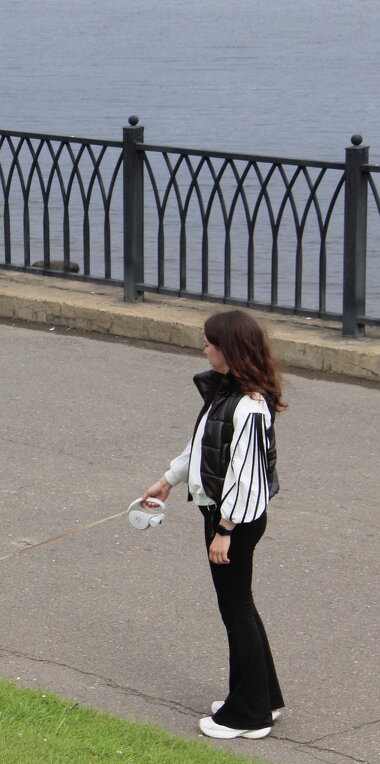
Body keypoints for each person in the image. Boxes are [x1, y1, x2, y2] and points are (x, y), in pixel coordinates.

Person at [141, 309, 286, 740]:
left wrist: (225, 529)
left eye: (208, 343)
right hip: (223, 515)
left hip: (233, 520)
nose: (202, 348)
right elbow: (201, 445)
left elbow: (246, 474)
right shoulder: (227, 393)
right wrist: (168, 480)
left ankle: (249, 716)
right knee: (238, 607)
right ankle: (263, 697)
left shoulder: (249, 406)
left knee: (236, 608)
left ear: (228, 350)